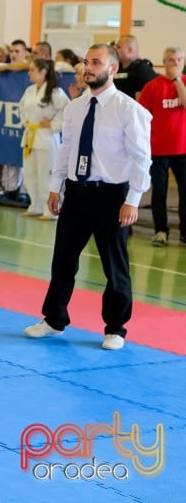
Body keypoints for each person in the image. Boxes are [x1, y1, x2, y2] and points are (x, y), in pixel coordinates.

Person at [24, 44, 151, 351]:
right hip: (77, 193)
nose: (88, 67)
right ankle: (54, 319)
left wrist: (132, 199)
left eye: (96, 62)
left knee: (114, 265)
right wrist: (57, 187)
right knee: (63, 261)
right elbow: (67, 149)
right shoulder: (76, 106)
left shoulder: (128, 109)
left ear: (112, 69)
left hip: (112, 195)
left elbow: (141, 159)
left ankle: (116, 328)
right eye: (86, 62)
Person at [137, 46, 186, 246]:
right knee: (159, 191)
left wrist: (177, 81)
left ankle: (184, 232)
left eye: (178, 60)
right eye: (171, 60)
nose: (174, 64)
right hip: (157, 150)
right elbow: (141, 117)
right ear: (164, 62)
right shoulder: (152, 86)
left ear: (183, 63)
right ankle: (160, 230)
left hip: (182, 149)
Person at [18, 59, 68, 219]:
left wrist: (53, 123)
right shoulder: (29, 90)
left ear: (43, 72)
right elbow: (21, 107)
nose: (29, 72)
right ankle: (35, 205)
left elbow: (67, 112)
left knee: (46, 175)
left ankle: (51, 210)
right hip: (30, 135)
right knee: (30, 174)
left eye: (32, 70)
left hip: (47, 137)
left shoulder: (55, 92)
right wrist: (26, 121)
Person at [113, 35, 157, 99]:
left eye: (118, 47)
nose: (114, 49)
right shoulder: (117, 68)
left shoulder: (143, 70)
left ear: (129, 50)